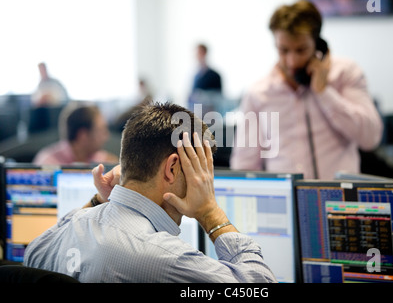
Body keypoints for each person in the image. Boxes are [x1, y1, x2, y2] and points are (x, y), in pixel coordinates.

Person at [24, 102, 276, 283]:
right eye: (202, 170)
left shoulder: (68, 229)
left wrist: (99, 200)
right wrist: (211, 212)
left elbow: (32, 254)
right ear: (173, 168)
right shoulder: (166, 258)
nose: (205, 181)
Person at [229, 0, 383, 180]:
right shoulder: (258, 93)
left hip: (341, 203)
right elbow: (244, 166)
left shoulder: (345, 74)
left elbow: (370, 138)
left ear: (318, 45)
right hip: (283, 204)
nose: (292, 61)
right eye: (283, 50)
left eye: (301, 50)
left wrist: (324, 92)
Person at [33, 103, 118, 165]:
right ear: (83, 136)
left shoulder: (102, 159)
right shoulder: (47, 163)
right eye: (102, 130)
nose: (107, 136)